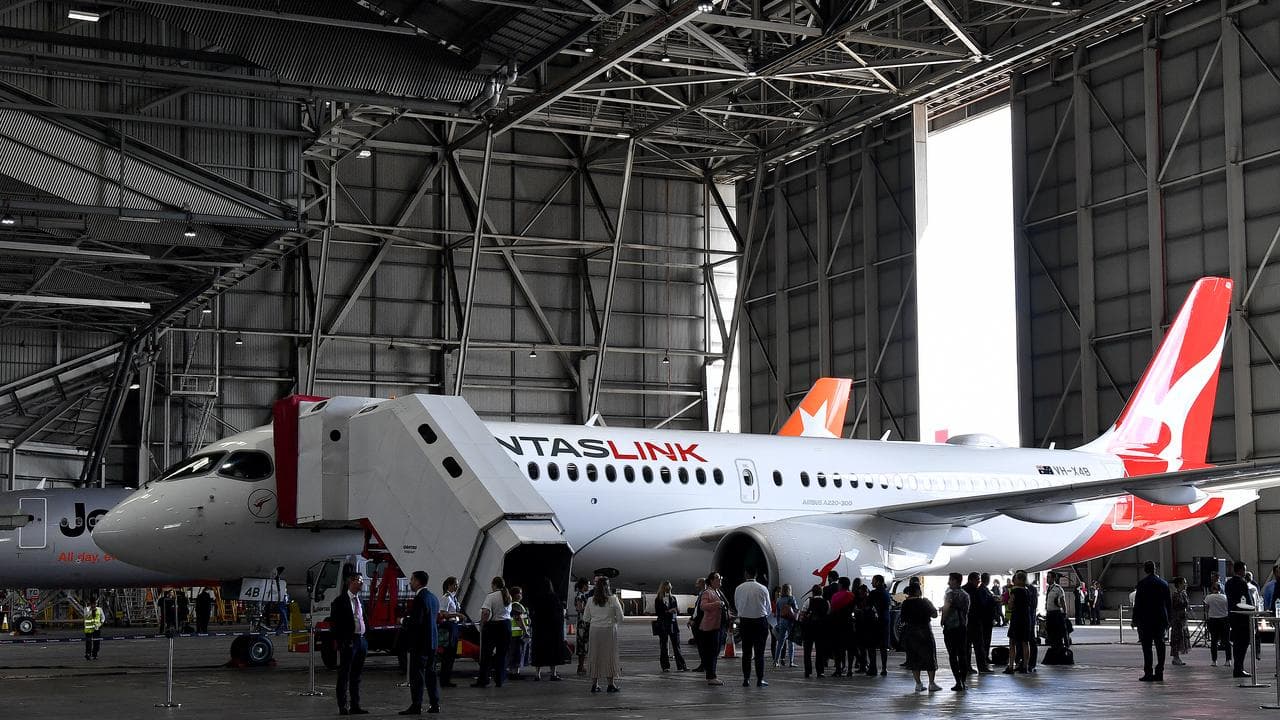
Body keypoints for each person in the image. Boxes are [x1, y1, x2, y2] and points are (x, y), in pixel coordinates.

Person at [401, 570, 440, 716]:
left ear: (418, 582)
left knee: (417, 676)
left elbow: (417, 622)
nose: (410, 582)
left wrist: (404, 621)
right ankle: (435, 704)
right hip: (432, 642)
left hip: (420, 643)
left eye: (411, 580)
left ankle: (416, 705)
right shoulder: (433, 598)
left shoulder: (419, 599)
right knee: (431, 674)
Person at [331, 572, 370, 715]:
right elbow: (334, 625)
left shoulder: (360, 600)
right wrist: (343, 642)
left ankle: (356, 705)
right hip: (349, 642)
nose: (361, 583)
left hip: (361, 641)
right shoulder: (339, 601)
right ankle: (343, 705)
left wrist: (366, 636)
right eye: (359, 581)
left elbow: (363, 618)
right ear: (351, 582)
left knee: (356, 675)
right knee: (344, 675)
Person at [582, 577, 624, 693]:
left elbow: (585, 618)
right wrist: (613, 621)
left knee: (595, 656)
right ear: (608, 586)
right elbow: (621, 618)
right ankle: (611, 684)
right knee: (609, 656)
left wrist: (596, 619)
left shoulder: (590, 600)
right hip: (609, 631)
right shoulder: (613, 599)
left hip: (595, 631)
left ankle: (594, 684)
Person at [1132, 560, 1171, 682]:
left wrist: (1134, 619)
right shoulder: (1164, 584)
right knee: (1160, 646)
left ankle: (1148, 673)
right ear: (1155, 569)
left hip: (1145, 620)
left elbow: (1137, 604)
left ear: (1145, 570)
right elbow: (1168, 604)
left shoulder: (1142, 584)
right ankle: (1160, 672)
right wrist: (1169, 619)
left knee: (1147, 647)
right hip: (1160, 619)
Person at [733, 568, 772, 687]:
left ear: (746, 574)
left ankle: (746, 679)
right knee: (759, 653)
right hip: (760, 622)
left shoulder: (739, 588)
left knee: (746, 653)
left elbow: (736, 604)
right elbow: (768, 608)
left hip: (745, 622)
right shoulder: (762, 588)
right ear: (756, 575)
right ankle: (760, 679)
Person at [900, 584, 941, 692]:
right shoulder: (924, 601)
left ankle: (918, 684)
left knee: (914, 657)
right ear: (918, 591)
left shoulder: (905, 603)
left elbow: (902, 618)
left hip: (911, 632)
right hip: (924, 632)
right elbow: (934, 615)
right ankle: (931, 684)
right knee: (929, 657)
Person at [474, 577, 513, 688]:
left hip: (493, 626)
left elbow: (486, 612)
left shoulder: (491, 596)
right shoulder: (507, 596)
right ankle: (499, 679)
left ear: (494, 584)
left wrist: (482, 623)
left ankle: (483, 680)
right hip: (506, 626)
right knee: (502, 654)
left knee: (486, 654)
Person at [529, 577, 566, 681]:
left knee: (539, 651)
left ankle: (537, 674)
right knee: (552, 651)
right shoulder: (554, 598)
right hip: (552, 630)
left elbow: (533, 613)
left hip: (539, 629)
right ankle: (553, 673)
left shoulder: (536, 598)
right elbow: (559, 614)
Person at [697, 572, 729, 686]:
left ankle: (712, 674)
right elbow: (703, 606)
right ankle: (711, 676)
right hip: (711, 627)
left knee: (715, 651)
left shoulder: (718, 592)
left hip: (719, 626)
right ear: (711, 580)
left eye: (720, 578)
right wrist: (716, 604)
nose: (720, 580)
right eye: (717, 578)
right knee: (712, 652)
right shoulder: (707, 592)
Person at [941, 572, 970, 691]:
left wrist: (942, 620)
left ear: (957, 581)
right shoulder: (965, 595)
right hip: (962, 627)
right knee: (962, 655)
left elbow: (946, 607)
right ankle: (963, 681)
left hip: (951, 628)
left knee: (952, 655)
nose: (949, 582)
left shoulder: (950, 593)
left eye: (951, 580)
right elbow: (967, 610)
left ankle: (958, 681)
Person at [1225, 560, 1253, 677]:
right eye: (1244, 570)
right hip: (1242, 617)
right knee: (1244, 642)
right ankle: (1239, 667)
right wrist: (1252, 610)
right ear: (1241, 570)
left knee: (1236, 643)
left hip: (1232, 615)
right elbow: (1246, 600)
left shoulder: (1228, 583)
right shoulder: (1242, 583)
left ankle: (1237, 667)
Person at [654, 581, 687, 672]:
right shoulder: (658, 599)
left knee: (676, 645)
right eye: (667, 588)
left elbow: (676, 609)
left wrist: (676, 610)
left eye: (669, 588)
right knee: (664, 646)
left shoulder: (673, 598)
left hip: (673, 623)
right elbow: (658, 612)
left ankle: (681, 666)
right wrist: (668, 611)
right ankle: (665, 666)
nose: (668, 590)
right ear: (663, 589)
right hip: (663, 624)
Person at [963, 572, 992, 674]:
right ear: (972, 580)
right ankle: (982, 667)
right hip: (975, 622)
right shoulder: (975, 590)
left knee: (967, 647)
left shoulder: (963, 590)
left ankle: (967, 667)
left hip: (966, 622)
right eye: (977, 580)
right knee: (979, 646)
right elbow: (981, 604)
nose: (979, 582)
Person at [1004, 571, 1032, 674]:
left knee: (1012, 643)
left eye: (1015, 579)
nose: (1014, 581)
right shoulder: (1028, 591)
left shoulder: (1014, 591)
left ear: (1019, 580)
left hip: (1016, 618)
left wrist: (1008, 602)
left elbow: (1010, 605)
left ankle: (1011, 666)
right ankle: (1025, 666)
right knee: (1025, 642)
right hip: (1026, 618)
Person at [799, 583, 829, 678]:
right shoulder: (826, 602)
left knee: (807, 651)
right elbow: (828, 614)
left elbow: (802, 614)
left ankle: (808, 671)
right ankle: (820, 671)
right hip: (821, 630)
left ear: (812, 592)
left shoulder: (808, 601)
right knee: (820, 651)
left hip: (809, 629)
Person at [827, 577, 855, 677]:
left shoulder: (835, 596)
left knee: (838, 648)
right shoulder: (851, 595)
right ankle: (850, 669)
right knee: (850, 648)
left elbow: (832, 609)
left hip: (837, 625)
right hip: (848, 624)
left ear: (841, 585)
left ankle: (839, 669)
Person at [438, 577, 463, 687]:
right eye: (455, 584)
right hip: (449, 626)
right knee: (447, 655)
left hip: (454, 625)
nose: (457, 587)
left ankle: (447, 679)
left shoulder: (453, 598)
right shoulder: (446, 598)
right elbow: (443, 613)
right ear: (449, 585)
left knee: (452, 655)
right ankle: (444, 679)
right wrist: (457, 615)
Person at [866, 575, 890, 677]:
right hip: (885, 620)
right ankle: (884, 668)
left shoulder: (874, 593)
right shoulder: (886, 593)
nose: (872, 583)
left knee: (871, 646)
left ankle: (873, 668)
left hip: (875, 622)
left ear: (878, 582)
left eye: (873, 581)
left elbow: (868, 606)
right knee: (883, 647)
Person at [506, 586, 531, 679]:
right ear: (515, 595)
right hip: (517, 634)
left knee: (515, 654)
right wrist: (525, 631)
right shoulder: (515, 605)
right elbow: (518, 619)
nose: (521, 595)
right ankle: (514, 673)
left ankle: (514, 672)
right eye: (519, 593)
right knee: (517, 654)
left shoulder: (512, 605)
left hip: (514, 634)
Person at [1205, 582, 1231, 667]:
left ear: (1212, 589)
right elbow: (1228, 608)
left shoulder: (1208, 597)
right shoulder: (1225, 597)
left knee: (1214, 641)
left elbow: (1206, 608)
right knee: (1226, 641)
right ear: (1220, 589)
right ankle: (1228, 660)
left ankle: (1214, 661)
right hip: (1224, 619)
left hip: (1213, 620)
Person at [772, 584, 796, 668]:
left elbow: (778, 613)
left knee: (780, 643)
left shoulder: (779, 600)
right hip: (790, 621)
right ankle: (791, 662)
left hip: (782, 621)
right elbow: (795, 609)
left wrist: (778, 623)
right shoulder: (791, 598)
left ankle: (776, 661)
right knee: (791, 642)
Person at [1169, 576, 1190, 667]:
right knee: (1176, 638)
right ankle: (1175, 657)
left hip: (1183, 619)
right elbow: (1176, 606)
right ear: (1179, 584)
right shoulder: (1175, 594)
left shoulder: (1183, 593)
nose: (1185, 584)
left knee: (1182, 637)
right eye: (1183, 582)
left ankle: (1177, 657)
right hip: (1177, 620)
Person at [1044, 571, 1068, 649]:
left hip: (1056, 614)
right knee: (1050, 632)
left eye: (1049, 577)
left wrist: (1065, 612)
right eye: (1047, 577)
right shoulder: (1048, 588)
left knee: (1057, 633)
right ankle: (1053, 647)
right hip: (1049, 613)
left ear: (1054, 578)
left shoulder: (1058, 588)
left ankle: (1059, 647)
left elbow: (1062, 601)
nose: (1047, 579)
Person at [688, 577, 707, 673]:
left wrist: (695, 620)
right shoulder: (701, 594)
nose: (696, 586)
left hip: (700, 623)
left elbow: (701, 611)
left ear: (702, 584)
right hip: (697, 622)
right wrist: (691, 618)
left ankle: (704, 665)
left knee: (702, 646)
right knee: (700, 646)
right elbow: (696, 610)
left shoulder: (705, 594)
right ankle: (703, 664)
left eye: (697, 584)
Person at [573, 578, 591, 676]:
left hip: (583, 622)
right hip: (583, 623)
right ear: (582, 585)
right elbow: (579, 608)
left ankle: (581, 666)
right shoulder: (580, 596)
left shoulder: (582, 595)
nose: (588, 587)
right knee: (582, 645)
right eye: (587, 585)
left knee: (583, 645)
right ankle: (580, 666)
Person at [83, 596, 104, 661]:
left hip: (96, 629)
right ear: (90, 603)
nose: (93, 605)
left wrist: (100, 624)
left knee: (96, 642)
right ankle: (88, 654)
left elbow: (103, 618)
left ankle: (95, 654)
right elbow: (86, 615)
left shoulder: (99, 609)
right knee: (88, 643)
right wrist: (91, 610)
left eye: (94, 603)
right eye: (92, 604)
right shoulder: (86, 609)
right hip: (88, 629)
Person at [271, 566, 289, 634]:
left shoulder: (278, 581)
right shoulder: (278, 581)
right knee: (283, 614)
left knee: (283, 614)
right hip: (282, 599)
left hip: (282, 598)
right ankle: (284, 628)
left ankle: (280, 629)